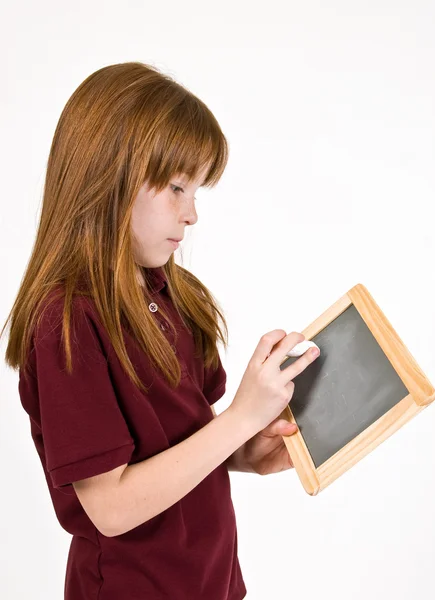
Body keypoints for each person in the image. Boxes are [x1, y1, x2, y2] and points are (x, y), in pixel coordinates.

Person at [1, 61, 320, 600]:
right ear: (108, 178)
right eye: (176, 188)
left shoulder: (173, 292)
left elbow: (183, 444)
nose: (191, 213)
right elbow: (111, 507)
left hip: (212, 582)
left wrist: (247, 446)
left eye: (197, 192)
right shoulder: (67, 322)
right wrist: (240, 417)